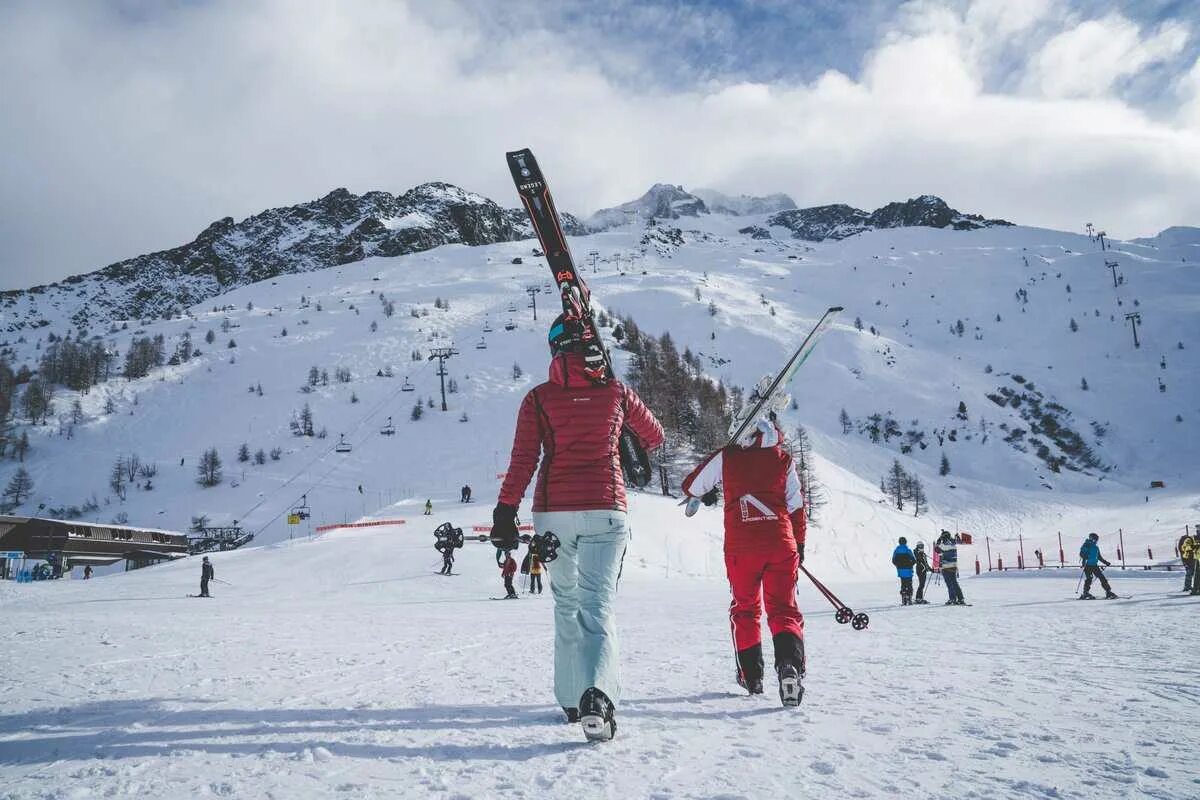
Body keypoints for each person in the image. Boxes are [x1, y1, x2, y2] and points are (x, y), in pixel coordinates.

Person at [491, 313, 664, 741]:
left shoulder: (538, 398)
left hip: (554, 514)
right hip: (606, 508)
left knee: (566, 605)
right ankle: (598, 698)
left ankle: (571, 698)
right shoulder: (616, 392)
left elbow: (524, 460)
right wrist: (617, 410)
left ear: (553, 350)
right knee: (597, 607)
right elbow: (656, 435)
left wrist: (504, 511)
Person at [681, 416, 807, 708]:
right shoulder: (783, 459)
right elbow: (797, 506)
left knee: (746, 609)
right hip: (781, 543)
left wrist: (711, 490)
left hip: (742, 548)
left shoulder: (729, 456)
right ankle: (789, 667)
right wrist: (798, 544)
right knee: (784, 610)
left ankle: (752, 676)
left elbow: (691, 485)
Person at [1079, 532, 1118, 599]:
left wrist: (1105, 562)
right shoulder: (1086, 545)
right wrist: (1085, 557)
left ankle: (1108, 592)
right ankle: (1085, 593)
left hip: (1094, 565)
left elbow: (1099, 557)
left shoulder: (1096, 547)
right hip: (1087, 565)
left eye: (1097, 539)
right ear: (1091, 538)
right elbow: (1081, 554)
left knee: (1102, 578)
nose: (1096, 541)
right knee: (1089, 579)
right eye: (1095, 539)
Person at [936, 531, 966, 605]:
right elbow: (955, 541)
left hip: (946, 567)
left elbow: (936, 549)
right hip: (954, 566)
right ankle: (960, 598)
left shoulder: (944, 546)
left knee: (949, 584)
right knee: (955, 583)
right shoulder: (953, 544)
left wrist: (938, 540)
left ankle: (952, 599)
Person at [892, 537, 916, 605]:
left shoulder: (896, 551)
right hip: (908, 571)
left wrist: (898, 566)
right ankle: (909, 598)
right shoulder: (908, 550)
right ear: (905, 542)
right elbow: (914, 560)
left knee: (903, 584)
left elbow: (893, 561)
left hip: (901, 571)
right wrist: (910, 565)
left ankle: (904, 598)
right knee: (909, 584)